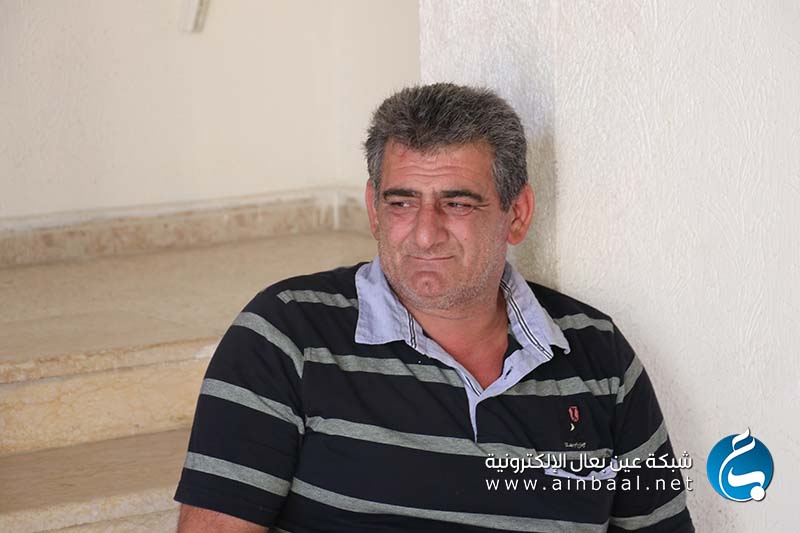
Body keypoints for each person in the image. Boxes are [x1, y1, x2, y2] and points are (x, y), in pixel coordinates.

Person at [174, 83, 695, 532]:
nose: (425, 233)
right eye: (401, 202)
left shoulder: (598, 357)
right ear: (374, 210)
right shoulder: (285, 336)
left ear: (517, 214)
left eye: (457, 203)